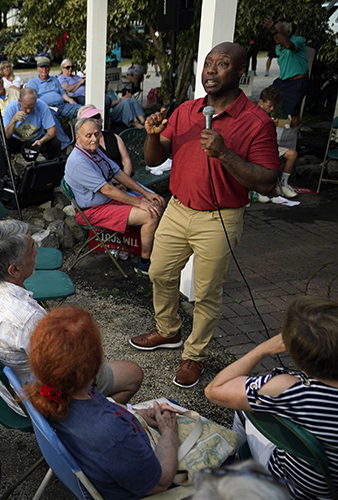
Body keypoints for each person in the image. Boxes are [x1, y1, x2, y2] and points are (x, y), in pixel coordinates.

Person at [129, 42, 279, 388]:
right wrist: (151, 136)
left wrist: (224, 154)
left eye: (222, 64)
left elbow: (269, 180)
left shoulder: (256, 122)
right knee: (159, 273)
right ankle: (169, 331)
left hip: (220, 218)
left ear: (240, 72)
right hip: (178, 209)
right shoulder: (185, 111)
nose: (210, 70)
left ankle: (194, 355)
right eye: (208, 63)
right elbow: (154, 160)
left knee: (206, 292)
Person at [0, 221, 143, 412]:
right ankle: (93, 420)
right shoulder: (28, 319)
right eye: (31, 250)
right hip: (36, 402)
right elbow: (64, 374)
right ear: (14, 270)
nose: (36, 253)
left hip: (7, 390)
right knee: (133, 373)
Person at [25, 307, 178, 499]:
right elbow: (159, 483)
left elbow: (97, 408)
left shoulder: (37, 382)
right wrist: (169, 432)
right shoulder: (112, 435)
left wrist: (135, 412)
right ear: (95, 366)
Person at [205, 296, 338, 500]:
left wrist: (262, 349)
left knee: (243, 408)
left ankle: (236, 467)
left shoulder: (293, 390)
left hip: (300, 489)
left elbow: (215, 390)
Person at [65, 117, 165, 275]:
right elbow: (107, 190)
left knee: (157, 202)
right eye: (88, 135)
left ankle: (149, 247)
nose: (94, 139)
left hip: (108, 202)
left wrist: (146, 194)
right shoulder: (78, 161)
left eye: (96, 134)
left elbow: (118, 173)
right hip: (93, 210)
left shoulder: (95, 151)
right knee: (150, 214)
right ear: (78, 137)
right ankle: (144, 263)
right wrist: (140, 204)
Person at [263, 17, 308, 129]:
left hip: (297, 81)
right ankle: (267, 125)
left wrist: (274, 29)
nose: (275, 36)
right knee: (266, 96)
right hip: (283, 80)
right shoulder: (278, 47)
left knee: (293, 112)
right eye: (274, 34)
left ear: (288, 32)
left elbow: (289, 45)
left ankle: (293, 135)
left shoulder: (298, 40)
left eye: (278, 33)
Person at [255, 87, 298, 199]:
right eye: (269, 106)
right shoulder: (253, 114)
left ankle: (283, 183)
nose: (272, 108)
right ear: (261, 102)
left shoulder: (267, 114)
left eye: (274, 106)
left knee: (292, 154)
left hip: (270, 146)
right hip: (257, 148)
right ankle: (259, 188)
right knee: (265, 159)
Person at [2, 87, 68, 161]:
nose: (28, 111)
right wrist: (13, 120)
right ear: (19, 101)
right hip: (17, 141)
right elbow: (6, 135)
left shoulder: (42, 106)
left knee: (55, 142)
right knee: (2, 145)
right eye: (25, 108)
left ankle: (52, 168)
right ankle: (3, 172)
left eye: (31, 107)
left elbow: (52, 130)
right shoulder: (11, 108)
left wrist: (42, 140)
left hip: (36, 140)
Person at [77, 105, 133, 175]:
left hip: (124, 178)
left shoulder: (114, 137)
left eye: (97, 116)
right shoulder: (84, 146)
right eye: (91, 119)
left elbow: (126, 161)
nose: (95, 120)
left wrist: (125, 181)